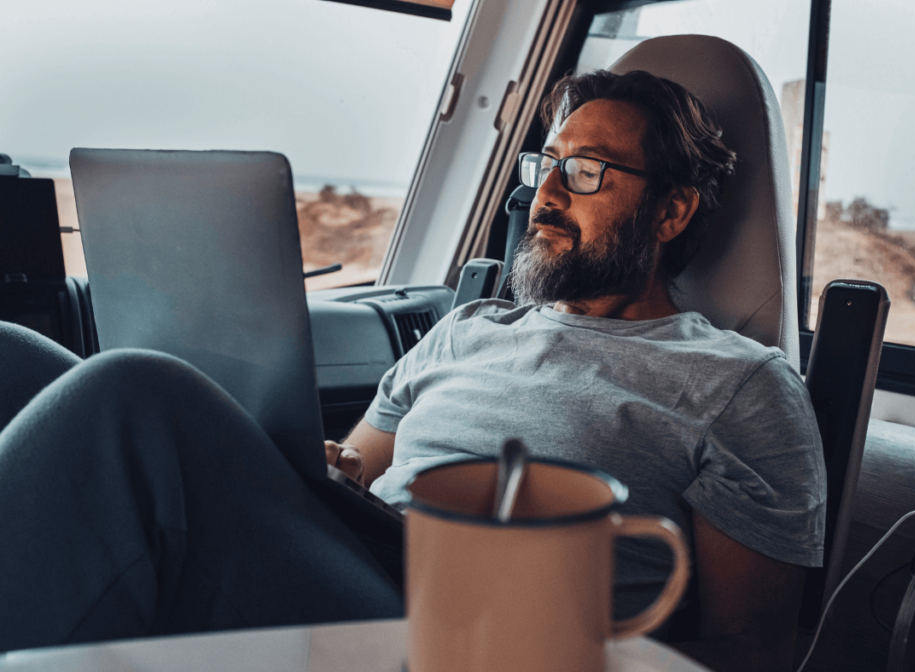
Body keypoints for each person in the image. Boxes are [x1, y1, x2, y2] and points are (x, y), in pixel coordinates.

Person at [0, 70, 823, 672]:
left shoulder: (738, 384)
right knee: (12, 352)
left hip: (446, 632)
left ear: (672, 210)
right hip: (357, 550)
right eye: (545, 167)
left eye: (586, 173)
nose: (541, 200)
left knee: (131, 392)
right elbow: (355, 471)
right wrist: (330, 466)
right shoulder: (469, 330)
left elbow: (755, 649)